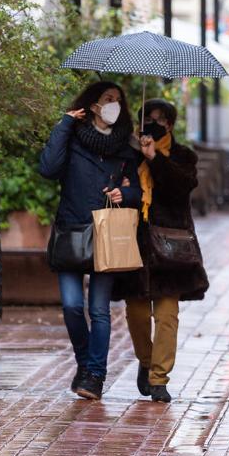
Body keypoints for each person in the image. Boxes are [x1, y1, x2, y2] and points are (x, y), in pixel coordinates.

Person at [39, 81, 143, 400]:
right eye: (107, 99)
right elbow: (48, 168)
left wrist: (123, 193)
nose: (114, 105)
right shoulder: (71, 139)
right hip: (71, 229)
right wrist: (65, 123)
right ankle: (85, 363)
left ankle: (95, 375)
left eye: (118, 101)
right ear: (94, 105)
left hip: (106, 234)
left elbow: (137, 194)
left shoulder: (126, 151)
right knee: (72, 306)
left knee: (99, 310)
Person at [113, 99, 209, 403]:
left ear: (170, 124)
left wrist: (155, 158)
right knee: (137, 314)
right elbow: (119, 189)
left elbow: (179, 187)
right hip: (135, 244)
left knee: (167, 315)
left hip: (170, 247)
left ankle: (159, 379)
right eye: (149, 119)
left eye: (161, 120)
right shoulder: (128, 155)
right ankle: (146, 360)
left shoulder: (183, 156)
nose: (155, 124)